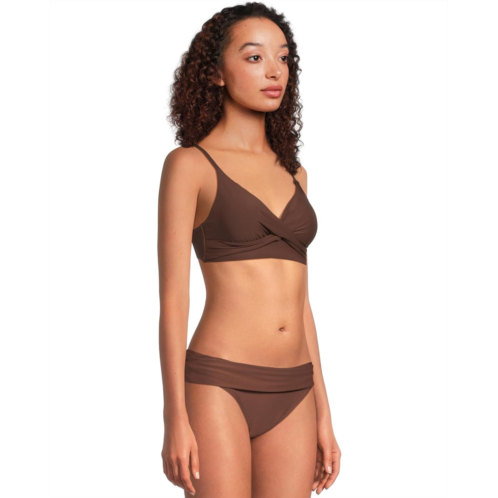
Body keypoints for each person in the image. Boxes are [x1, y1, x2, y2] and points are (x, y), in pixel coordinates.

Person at [158, 3, 341, 496]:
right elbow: (173, 300)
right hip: (220, 382)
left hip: (296, 388)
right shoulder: (189, 165)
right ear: (215, 72)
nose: (275, 71)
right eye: (255, 57)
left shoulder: (295, 174)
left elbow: (301, 302)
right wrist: (174, 416)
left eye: (283, 57)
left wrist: (324, 412)